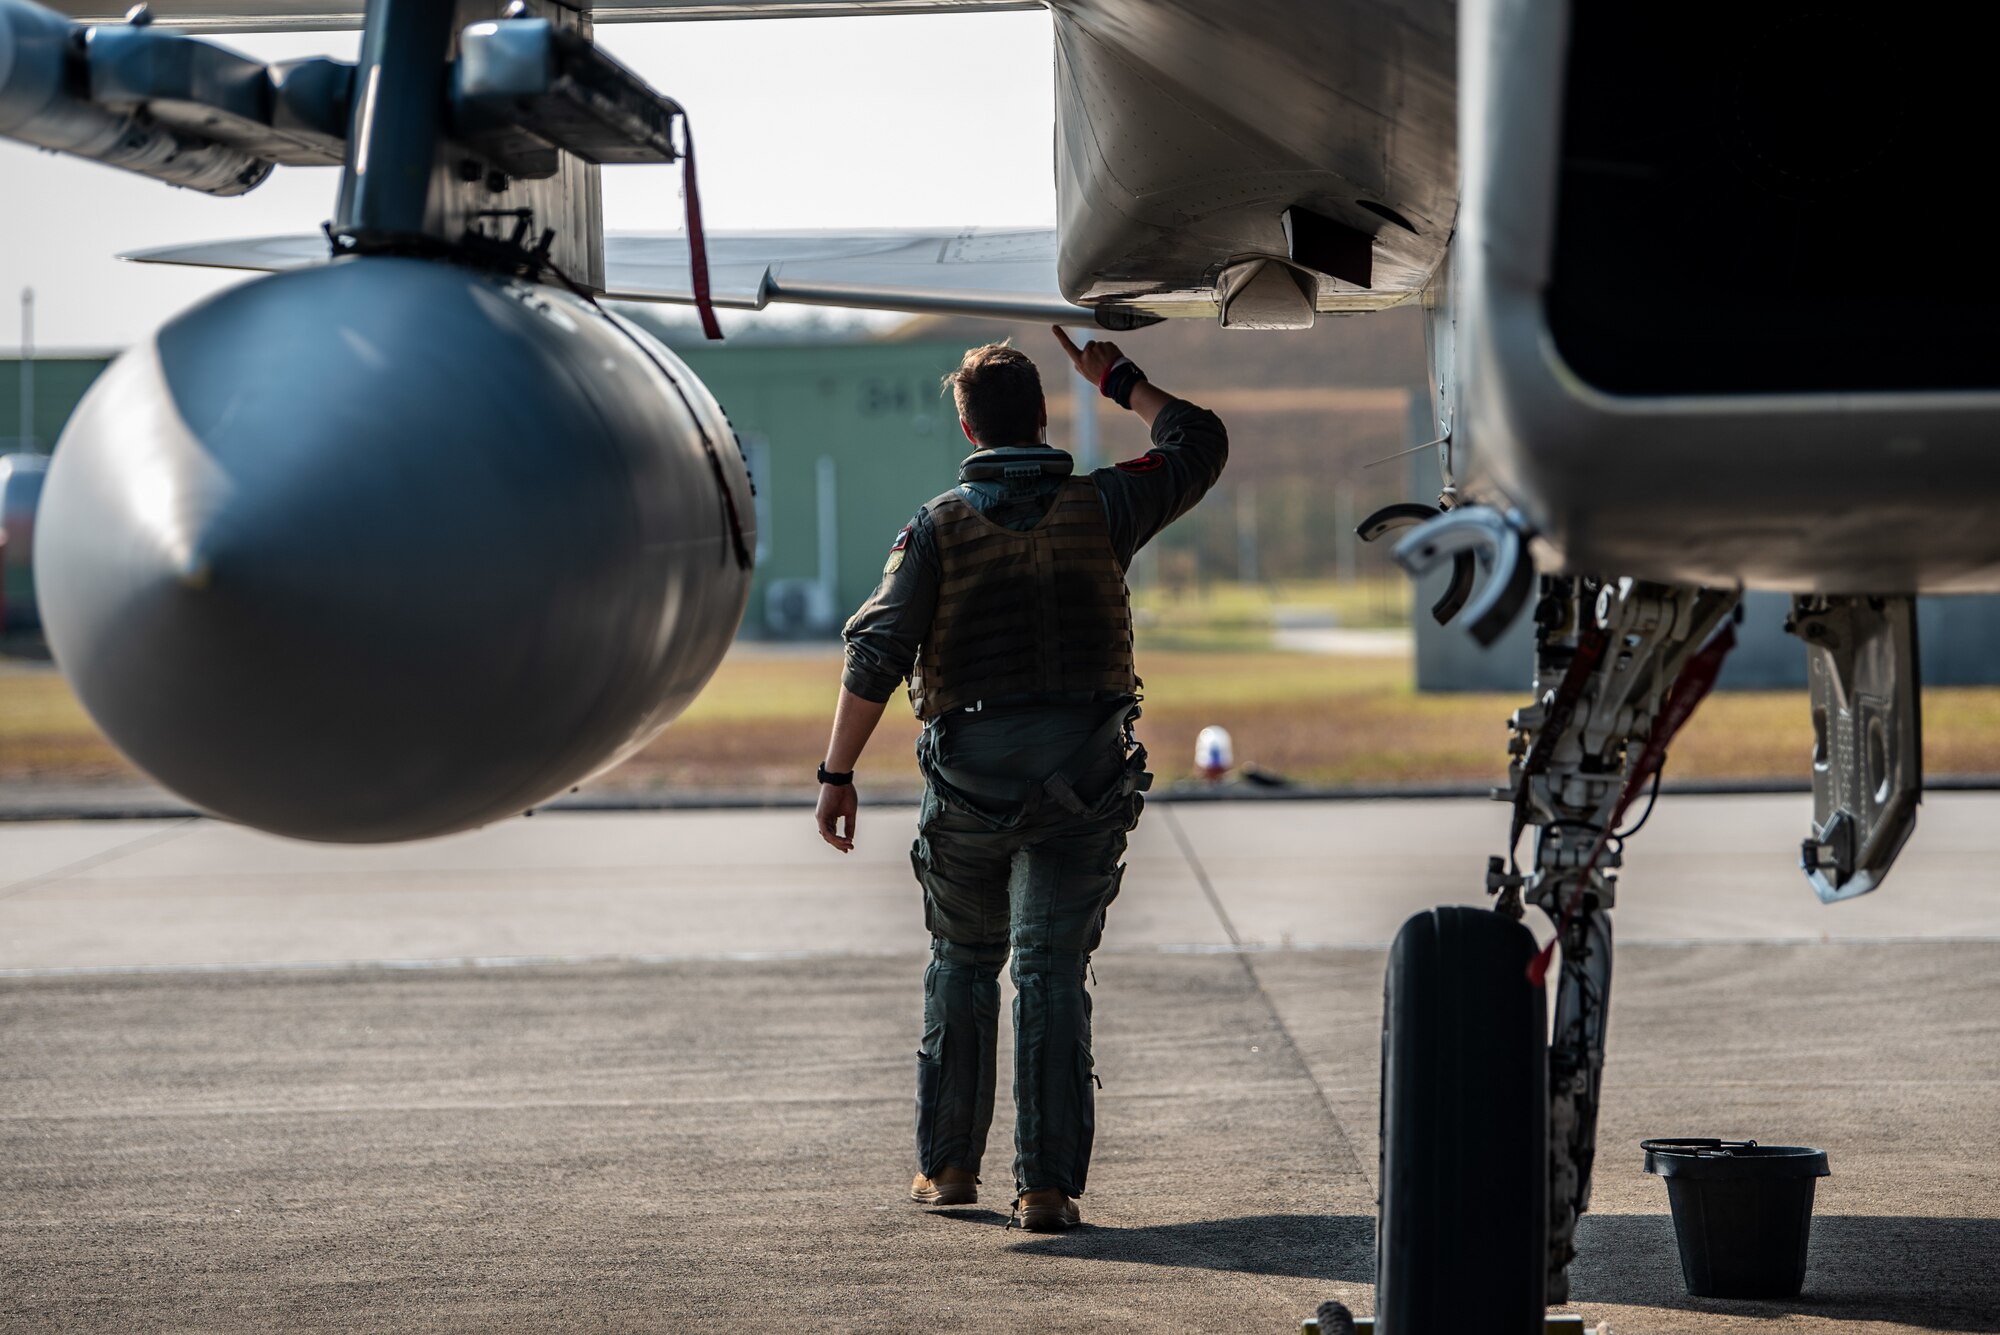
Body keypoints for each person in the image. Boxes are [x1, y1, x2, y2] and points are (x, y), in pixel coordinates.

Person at [813, 326, 1227, 1232]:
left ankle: (948, 1167)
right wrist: (1118, 378)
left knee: (963, 961)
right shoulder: (1109, 504)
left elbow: (876, 651)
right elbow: (1199, 440)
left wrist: (836, 773)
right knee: (1049, 969)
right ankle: (1045, 1187)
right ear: (1041, 415)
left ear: (969, 428)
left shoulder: (934, 528)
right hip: (1085, 787)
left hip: (970, 792)